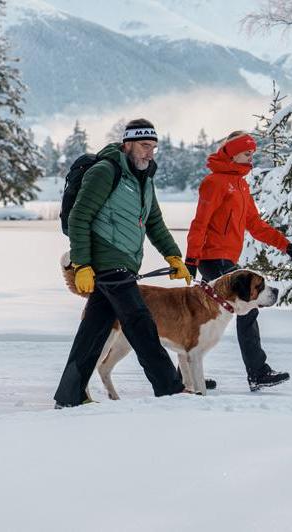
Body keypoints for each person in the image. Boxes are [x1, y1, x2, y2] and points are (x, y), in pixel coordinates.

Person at [54, 118, 191, 408]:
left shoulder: (144, 178)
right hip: (107, 261)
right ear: (127, 144)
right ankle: (170, 389)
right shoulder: (106, 171)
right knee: (140, 322)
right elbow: (80, 217)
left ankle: (69, 395)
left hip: (126, 263)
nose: (149, 153)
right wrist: (81, 265)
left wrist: (173, 255)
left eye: (153, 147)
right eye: (144, 146)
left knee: (93, 330)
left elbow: (154, 221)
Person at [185, 131, 292, 391]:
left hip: (227, 258)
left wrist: (287, 246)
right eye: (247, 152)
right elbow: (200, 222)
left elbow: (255, 225)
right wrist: (191, 257)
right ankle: (256, 372)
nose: (251, 157)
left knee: (207, 314)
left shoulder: (241, 185)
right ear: (231, 152)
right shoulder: (215, 182)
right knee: (242, 311)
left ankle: (188, 372)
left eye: (252, 153)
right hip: (212, 257)